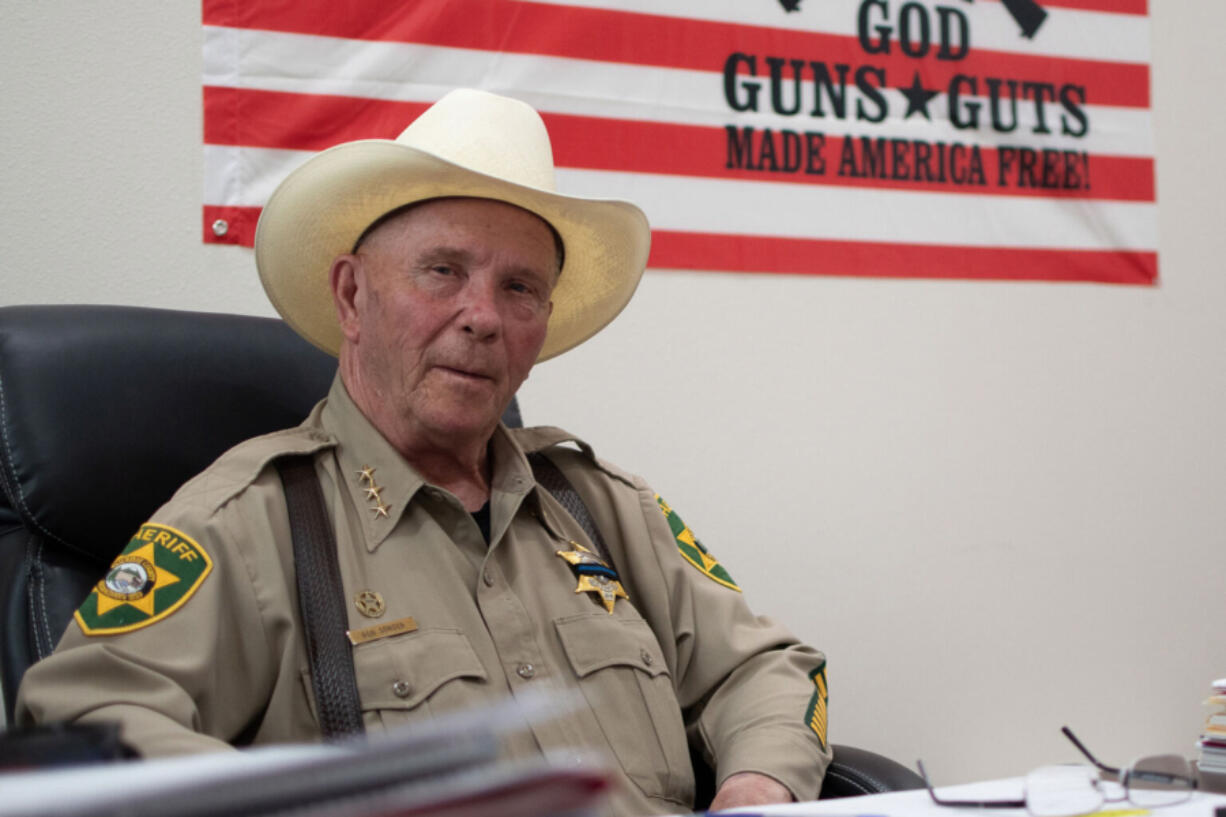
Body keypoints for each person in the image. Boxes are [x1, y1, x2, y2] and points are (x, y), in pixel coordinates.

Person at [16, 89, 830, 815]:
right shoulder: (253, 521)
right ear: (351, 295)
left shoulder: (603, 506)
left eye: (518, 288)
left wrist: (755, 790)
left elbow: (768, 667)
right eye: (442, 271)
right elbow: (79, 720)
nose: (482, 316)